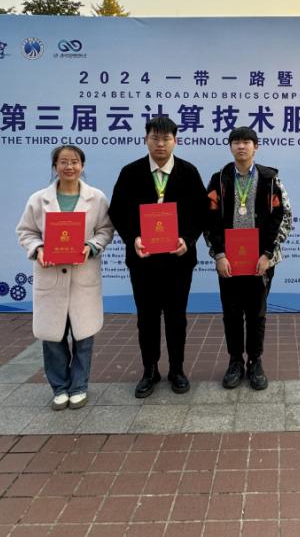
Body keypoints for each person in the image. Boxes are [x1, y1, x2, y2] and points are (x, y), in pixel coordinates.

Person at [108, 117, 208, 398]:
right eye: (155, 138)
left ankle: (177, 369)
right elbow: (117, 211)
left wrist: (188, 239)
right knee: (147, 317)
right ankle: (149, 370)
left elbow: (201, 212)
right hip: (143, 260)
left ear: (175, 141)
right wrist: (133, 238)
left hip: (178, 260)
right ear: (146, 140)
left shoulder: (188, 172)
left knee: (176, 317)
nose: (160, 144)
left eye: (166, 139)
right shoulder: (131, 172)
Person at [16, 145, 114, 410]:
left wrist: (91, 246)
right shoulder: (39, 199)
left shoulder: (96, 198)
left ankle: (79, 386)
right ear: (55, 166)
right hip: (51, 277)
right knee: (53, 339)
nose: (69, 167)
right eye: (63, 162)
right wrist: (38, 249)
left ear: (82, 166)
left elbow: (106, 230)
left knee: (83, 337)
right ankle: (59, 387)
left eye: (74, 162)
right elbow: (25, 232)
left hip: (83, 277)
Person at [205, 126, 292, 390]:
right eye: (236, 142)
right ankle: (235, 362)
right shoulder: (219, 179)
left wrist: (267, 254)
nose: (241, 146)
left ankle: (255, 361)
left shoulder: (270, 180)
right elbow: (209, 219)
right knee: (231, 314)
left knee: (256, 314)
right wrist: (219, 254)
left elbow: (283, 217)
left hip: (260, 262)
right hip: (229, 262)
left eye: (246, 142)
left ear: (256, 146)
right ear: (230, 147)